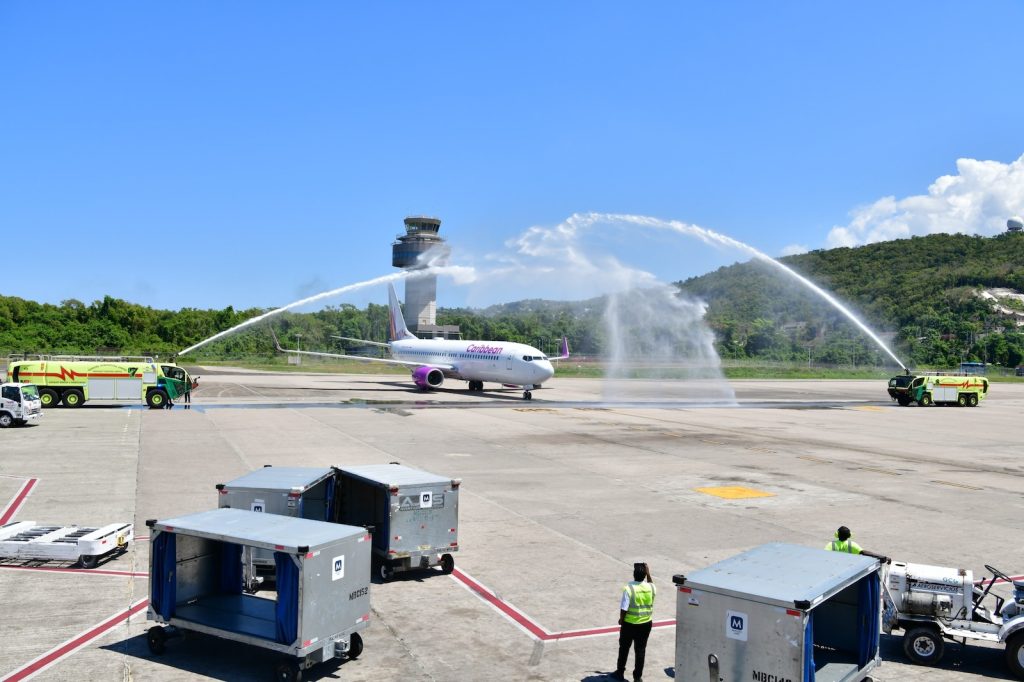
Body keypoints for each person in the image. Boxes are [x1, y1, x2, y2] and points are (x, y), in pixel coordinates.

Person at [614, 562, 655, 682]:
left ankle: (620, 672)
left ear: (633, 574)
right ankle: (637, 677)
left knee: (624, 648)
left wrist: (621, 620)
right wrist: (648, 573)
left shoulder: (629, 588)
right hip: (646, 624)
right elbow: (651, 583)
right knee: (640, 650)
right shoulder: (651, 587)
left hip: (629, 624)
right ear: (645, 574)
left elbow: (624, 608)